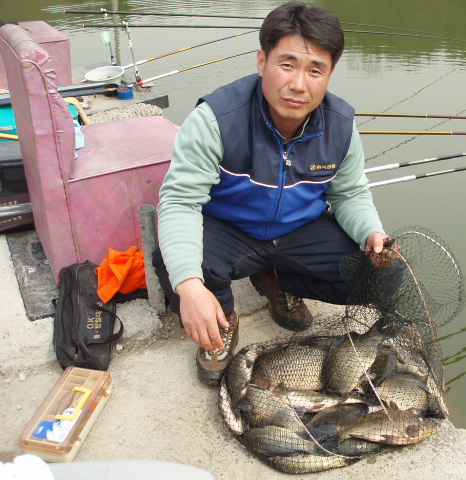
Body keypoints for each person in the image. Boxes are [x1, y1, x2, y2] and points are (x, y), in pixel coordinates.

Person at [152, 1, 392, 385]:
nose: (299, 84)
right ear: (262, 61)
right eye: (287, 64)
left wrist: (371, 233)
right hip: (230, 228)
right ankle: (222, 319)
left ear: (330, 74)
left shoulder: (342, 127)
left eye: (315, 70)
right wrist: (189, 288)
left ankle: (279, 279)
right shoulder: (215, 119)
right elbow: (180, 202)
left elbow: (350, 195)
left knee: (379, 274)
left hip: (299, 229)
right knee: (177, 266)